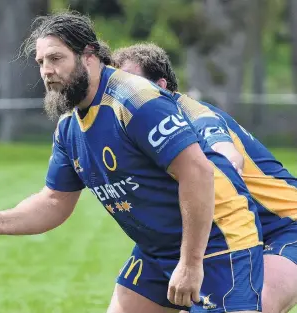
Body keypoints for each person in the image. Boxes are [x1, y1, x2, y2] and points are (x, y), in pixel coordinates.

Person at [0, 12, 264, 313]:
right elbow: (55, 200)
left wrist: (192, 263)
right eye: (41, 62)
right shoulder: (70, 128)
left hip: (219, 242)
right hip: (158, 251)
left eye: (56, 58)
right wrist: (0, 221)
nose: (46, 70)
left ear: (89, 56)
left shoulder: (135, 100)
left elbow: (197, 172)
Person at [113, 42, 297, 313]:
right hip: (198, 232)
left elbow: (225, 152)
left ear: (161, 86)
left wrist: (224, 159)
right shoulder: (126, 128)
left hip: (282, 226)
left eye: (131, 83)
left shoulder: (190, 113)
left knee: (257, 305)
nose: (121, 94)